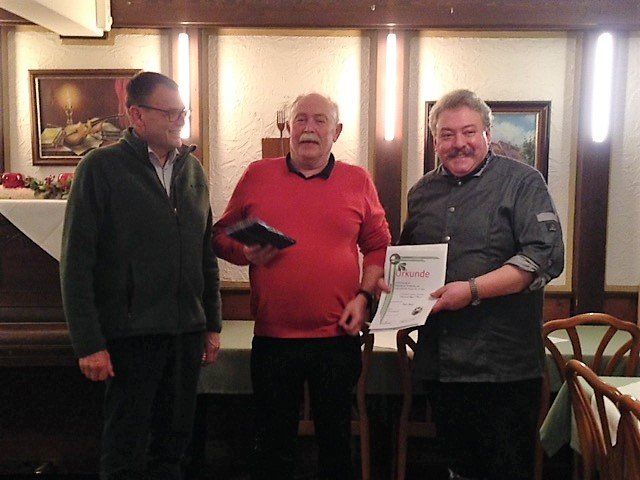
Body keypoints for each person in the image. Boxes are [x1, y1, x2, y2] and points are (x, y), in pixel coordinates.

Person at [212, 93, 391, 480]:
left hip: (337, 338)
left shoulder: (358, 180)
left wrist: (364, 297)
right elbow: (220, 237)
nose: (309, 128)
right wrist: (245, 252)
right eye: (301, 120)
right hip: (273, 339)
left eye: (320, 120)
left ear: (336, 131)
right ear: (288, 128)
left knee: (335, 445)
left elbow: (378, 245)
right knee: (272, 447)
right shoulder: (257, 174)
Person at [60, 71, 222, 480]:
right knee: (126, 452)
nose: (179, 121)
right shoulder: (100, 168)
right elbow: (76, 263)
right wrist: (88, 343)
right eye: (169, 113)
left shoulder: (192, 170)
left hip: (185, 335)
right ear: (136, 115)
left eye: (182, 112)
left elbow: (205, 254)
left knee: (173, 450)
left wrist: (212, 324)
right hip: (131, 336)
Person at [396, 89, 564, 480]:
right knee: (458, 467)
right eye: (447, 134)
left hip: (504, 365)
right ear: (435, 142)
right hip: (442, 365)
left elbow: (544, 258)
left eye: (469, 132)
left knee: (507, 470)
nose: (459, 143)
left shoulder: (523, 182)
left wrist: (471, 290)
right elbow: (408, 261)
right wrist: (391, 291)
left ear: (487, 134)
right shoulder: (421, 193)